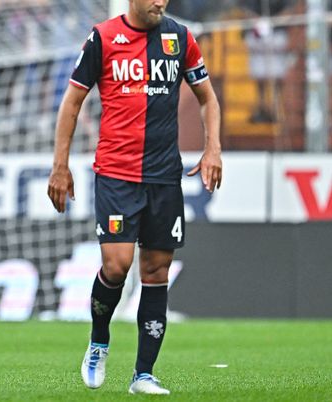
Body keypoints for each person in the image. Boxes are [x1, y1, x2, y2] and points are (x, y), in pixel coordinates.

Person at [47, 0, 222, 395]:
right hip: (115, 174)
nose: (160, 2)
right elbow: (72, 102)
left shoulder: (179, 38)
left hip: (163, 177)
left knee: (157, 271)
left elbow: (208, 98)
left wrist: (213, 149)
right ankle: (98, 341)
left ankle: (143, 373)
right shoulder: (103, 37)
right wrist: (60, 164)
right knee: (117, 264)